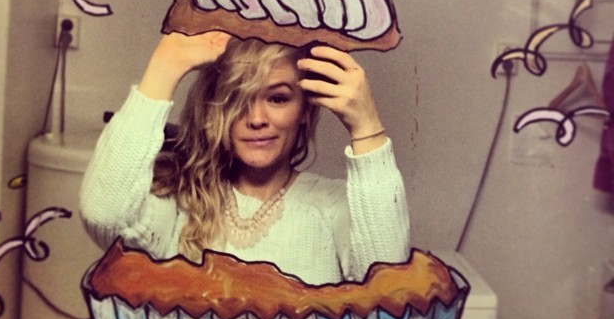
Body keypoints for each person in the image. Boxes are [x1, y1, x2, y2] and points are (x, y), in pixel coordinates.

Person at [79, 30, 410, 285]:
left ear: (305, 111)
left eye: (277, 99)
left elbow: (387, 282)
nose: (256, 119)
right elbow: (103, 217)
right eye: (237, 98)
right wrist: (164, 67)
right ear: (214, 110)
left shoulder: (334, 206)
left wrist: (367, 126)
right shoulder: (180, 202)